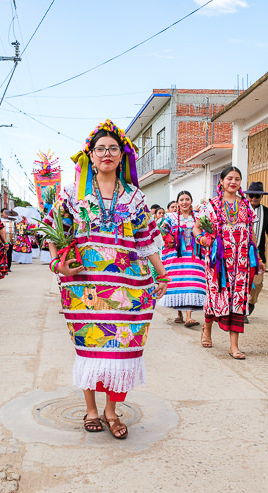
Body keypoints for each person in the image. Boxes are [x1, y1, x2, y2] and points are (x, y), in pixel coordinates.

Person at [44, 120, 168, 439]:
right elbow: (51, 228)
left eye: (113, 148)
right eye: (100, 149)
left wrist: (162, 273)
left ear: (122, 155)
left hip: (129, 286)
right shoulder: (74, 193)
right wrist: (61, 262)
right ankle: (91, 410)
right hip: (85, 284)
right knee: (91, 345)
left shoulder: (135, 197)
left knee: (123, 345)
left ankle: (112, 412)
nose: (107, 154)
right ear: (91, 155)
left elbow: (147, 238)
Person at [194, 166, 260, 358]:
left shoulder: (246, 206)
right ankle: (207, 329)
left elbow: (251, 233)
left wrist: (257, 256)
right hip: (218, 263)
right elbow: (197, 228)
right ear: (221, 181)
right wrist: (202, 240)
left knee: (238, 299)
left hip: (241, 262)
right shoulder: (211, 205)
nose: (233, 182)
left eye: (237, 179)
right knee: (216, 296)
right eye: (229, 178)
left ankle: (234, 346)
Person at [159, 190, 206, 328]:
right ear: (177, 202)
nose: (184, 202)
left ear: (191, 201)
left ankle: (189, 317)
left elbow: (204, 232)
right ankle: (179, 314)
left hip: (194, 255)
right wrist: (168, 240)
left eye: (187, 199)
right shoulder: (170, 217)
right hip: (175, 255)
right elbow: (161, 233)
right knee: (178, 282)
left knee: (191, 282)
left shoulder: (198, 216)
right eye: (181, 199)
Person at [242, 181, 268, 319]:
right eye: (251, 195)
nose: (253, 198)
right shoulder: (240, 210)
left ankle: (250, 304)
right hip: (239, 253)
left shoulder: (267, 213)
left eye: (256, 196)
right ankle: (240, 311)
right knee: (240, 283)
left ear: (261, 196)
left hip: (258, 255)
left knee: (257, 283)